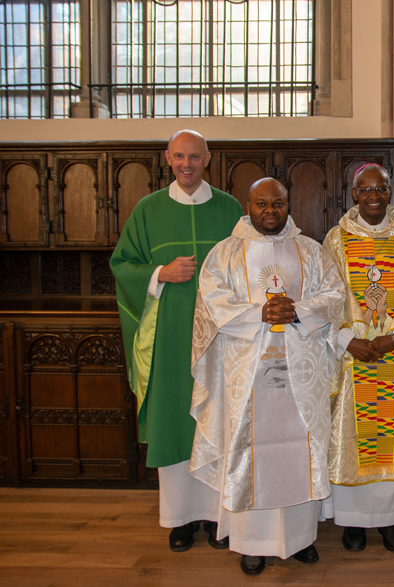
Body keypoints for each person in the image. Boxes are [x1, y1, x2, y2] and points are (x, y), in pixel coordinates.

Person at [188, 178, 345, 575]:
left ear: (288, 204)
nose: (270, 212)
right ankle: (251, 542)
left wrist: (297, 311)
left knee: (300, 449)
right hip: (247, 374)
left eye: (277, 204)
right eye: (262, 204)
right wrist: (259, 313)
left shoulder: (310, 250)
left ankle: (301, 539)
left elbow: (334, 296)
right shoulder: (224, 253)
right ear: (249, 205)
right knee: (249, 450)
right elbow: (211, 302)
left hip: (300, 373)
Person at [110, 129, 241, 552]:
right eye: (179, 156)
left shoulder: (230, 208)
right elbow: (122, 264)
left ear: (208, 158)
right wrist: (160, 274)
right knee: (175, 420)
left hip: (220, 337)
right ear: (168, 158)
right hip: (169, 337)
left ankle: (217, 516)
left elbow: (248, 264)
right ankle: (181, 519)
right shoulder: (148, 210)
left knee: (217, 419)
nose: (187, 164)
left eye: (195, 157)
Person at [322, 164, 394, 553]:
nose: (373, 197)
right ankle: (352, 523)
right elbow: (327, 298)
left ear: (391, 193)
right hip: (353, 358)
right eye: (365, 190)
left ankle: (389, 521)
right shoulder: (335, 241)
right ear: (354, 194)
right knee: (352, 437)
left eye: (381, 190)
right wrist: (348, 340)